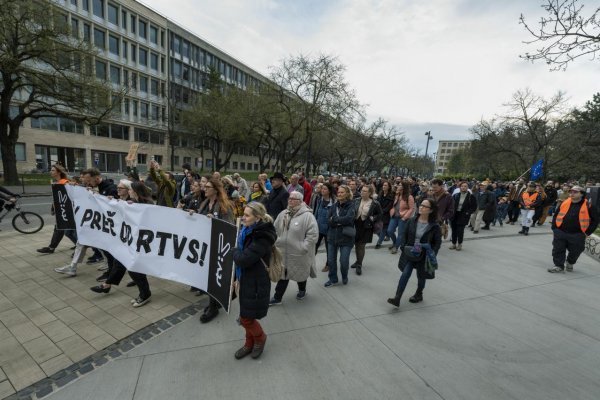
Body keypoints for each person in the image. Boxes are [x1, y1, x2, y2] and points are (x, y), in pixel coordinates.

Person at [90, 181, 154, 307]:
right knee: (126, 265)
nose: (129, 192)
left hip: (141, 243)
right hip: (130, 240)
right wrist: (112, 203)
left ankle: (145, 294)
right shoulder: (132, 202)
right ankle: (110, 285)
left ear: (135, 192)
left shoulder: (146, 204)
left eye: (130, 190)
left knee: (134, 269)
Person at [54, 179, 132, 277]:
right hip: (105, 228)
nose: (118, 189)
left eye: (121, 188)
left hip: (117, 233)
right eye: (118, 187)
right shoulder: (115, 199)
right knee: (83, 242)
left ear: (128, 190)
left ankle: (110, 273)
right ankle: (75, 267)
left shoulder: (130, 202)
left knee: (107, 250)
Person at [232, 202, 277, 360]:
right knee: (246, 314)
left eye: (247, 215)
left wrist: (234, 250)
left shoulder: (262, 236)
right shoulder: (247, 230)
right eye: (243, 214)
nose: (243, 217)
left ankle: (260, 338)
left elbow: (244, 259)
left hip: (255, 282)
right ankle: (249, 343)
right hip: (245, 279)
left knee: (246, 318)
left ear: (257, 218)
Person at [387, 198, 441, 308]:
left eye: (425, 206)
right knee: (405, 274)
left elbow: (437, 243)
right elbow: (404, 235)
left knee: (421, 276)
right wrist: (404, 247)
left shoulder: (434, 226)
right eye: (421, 205)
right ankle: (397, 297)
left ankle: (419, 293)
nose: (421, 207)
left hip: (424, 255)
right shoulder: (412, 220)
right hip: (411, 253)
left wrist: (432, 254)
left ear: (431, 210)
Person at [198, 177, 236, 323]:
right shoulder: (205, 203)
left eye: (208, 187)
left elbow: (230, 226)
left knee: (214, 276)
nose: (204, 189)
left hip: (218, 246)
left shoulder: (224, 205)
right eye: (205, 186)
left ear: (216, 189)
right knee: (208, 276)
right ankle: (213, 303)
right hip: (205, 244)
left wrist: (215, 221)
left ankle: (213, 306)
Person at [270, 191, 318, 304]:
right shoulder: (284, 213)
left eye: (293, 198)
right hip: (283, 252)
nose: (290, 200)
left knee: (300, 274)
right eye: (289, 198)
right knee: (283, 275)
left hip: (299, 253)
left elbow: (313, 235)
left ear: (300, 201)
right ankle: (277, 298)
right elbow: (274, 228)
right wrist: (275, 241)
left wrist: (303, 247)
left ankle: (302, 290)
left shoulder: (308, 216)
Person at [548, 185, 598, 273]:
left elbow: (595, 220)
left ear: (582, 194)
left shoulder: (589, 205)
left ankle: (570, 262)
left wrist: (587, 232)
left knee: (576, 250)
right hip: (560, 231)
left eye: (575, 192)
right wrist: (554, 227)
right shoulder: (565, 202)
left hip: (578, 234)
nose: (572, 194)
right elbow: (556, 214)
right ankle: (558, 266)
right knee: (558, 249)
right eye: (571, 192)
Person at [37, 164, 78, 254]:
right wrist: (53, 207)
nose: (50, 172)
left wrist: (71, 184)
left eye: (52, 170)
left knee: (68, 231)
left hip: (67, 211)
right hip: (61, 211)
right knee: (60, 229)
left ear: (58, 172)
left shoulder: (64, 182)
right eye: (51, 170)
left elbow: (73, 194)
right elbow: (57, 199)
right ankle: (52, 247)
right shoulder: (56, 183)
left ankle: (79, 247)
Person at [324, 185, 356, 287]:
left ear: (347, 194)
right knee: (331, 260)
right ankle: (333, 279)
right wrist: (337, 221)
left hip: (346, 238)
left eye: (342, 192)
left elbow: (349, 219)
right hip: (332, 237)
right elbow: (328, 220)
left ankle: (344, 275)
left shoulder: (351, 205)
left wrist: (335, 219)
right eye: (338, 192)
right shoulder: (333, 206)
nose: (340, 194)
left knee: (344, 261)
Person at [352, 185, 382, 275]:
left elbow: (380, 214)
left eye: (365, 191)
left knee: (361, 245)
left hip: (366, 226)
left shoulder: (375, 203)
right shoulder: (356, 200)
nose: (362, 192)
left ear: (369, 193)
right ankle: (357, 261)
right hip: (356, 224)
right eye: (362, 190)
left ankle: (359, 265)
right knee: (356, 244)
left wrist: (373, 218)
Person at [387, 182, 415, 254]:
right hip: (394, 216)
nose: (398, 186)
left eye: (399, 185)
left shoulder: (409, 197)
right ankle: (395, 242)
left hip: (402, 217)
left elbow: (411, 209)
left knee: (400, 234)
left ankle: (396, 247)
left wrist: (405, 217)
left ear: (403, 187)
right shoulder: (397, 195)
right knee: (389, 231)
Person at [449, 181, 477, 250]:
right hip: (455, 215)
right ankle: (453, 244)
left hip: (463, 215)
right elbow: (451, 204)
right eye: (462, 186)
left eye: (465, 186)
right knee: (454, 230)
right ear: (460, 187)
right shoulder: (456, 195)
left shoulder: (471, 196)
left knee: (460, 230)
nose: (463, 187)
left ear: (467, 188)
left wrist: (468, 212)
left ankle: (460, 244)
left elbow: (474, 206)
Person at [314, 183, 335, 272]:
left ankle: (328, 264)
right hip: (318, 228)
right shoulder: (319, 199)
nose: (322, 190)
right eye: (322, 189)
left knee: (328, 248)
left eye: (325, 189)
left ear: (329, 191)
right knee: (314, 246)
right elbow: (316, 212)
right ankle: (309, 262)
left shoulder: (334, 202)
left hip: (329, 230)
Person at [375, 181, 394, 249]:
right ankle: (389, 237)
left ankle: (379, 243)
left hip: (386, 215)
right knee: (377, 229)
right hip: (379, 214)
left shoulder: (391, 195)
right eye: (383, 185)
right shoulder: (380, 194)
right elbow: (376, 203)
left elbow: (390, 206)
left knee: (383, 229)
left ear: (389, 187)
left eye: (385, 185)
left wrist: (382, 211)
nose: (384, 186)